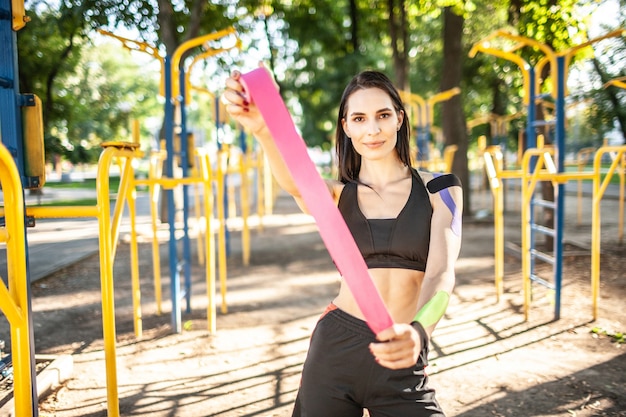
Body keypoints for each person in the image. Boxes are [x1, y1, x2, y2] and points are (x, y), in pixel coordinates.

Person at [222, 68, 462, 417]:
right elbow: (294, 181)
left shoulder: (441, 189)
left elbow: (441, 273)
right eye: (359, 118)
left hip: (403, 349)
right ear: (346, 127)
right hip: (336, 347)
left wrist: (419, 334)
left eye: (382, 115)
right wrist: (263, 129)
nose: (373, 129)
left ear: (399, 118)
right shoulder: (335, 195)